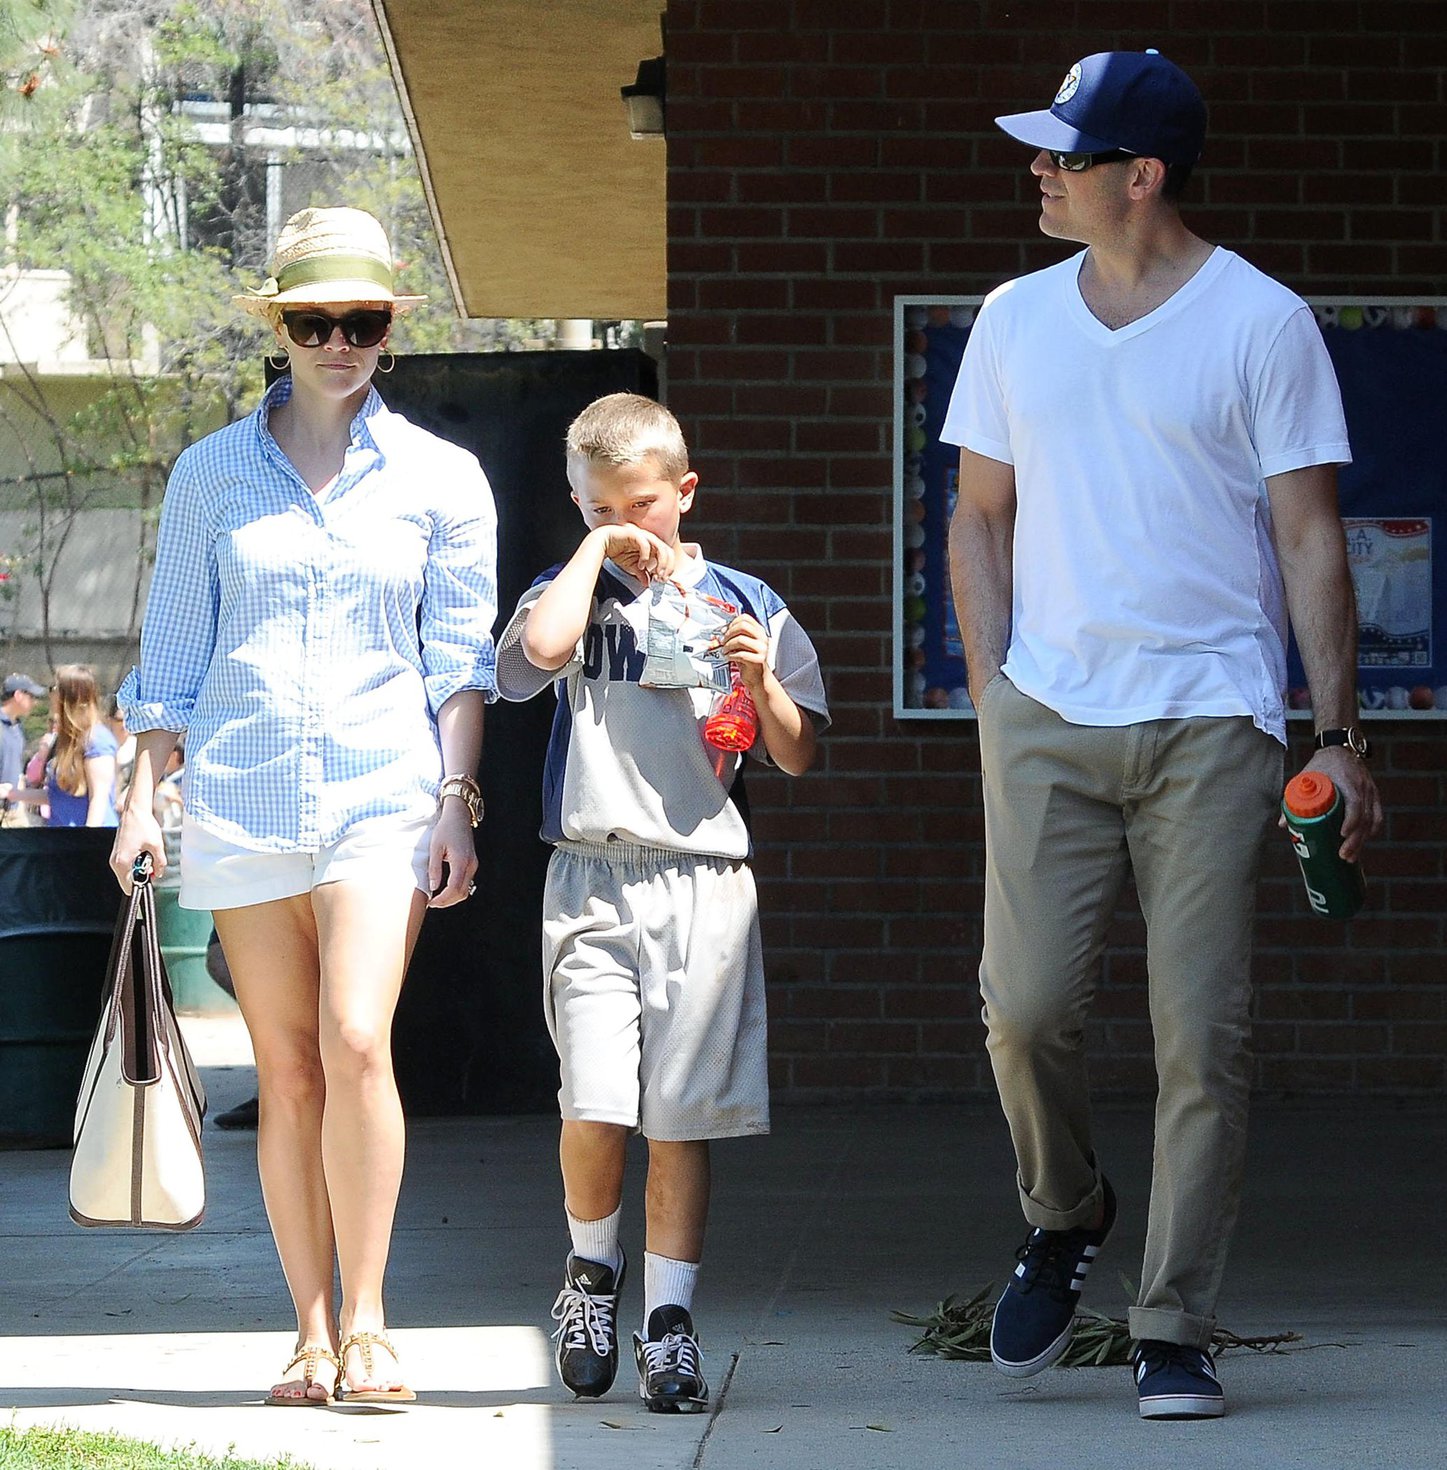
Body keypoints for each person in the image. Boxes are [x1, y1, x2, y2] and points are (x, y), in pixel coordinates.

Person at [944, 50, 1382, 1421]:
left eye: (1063, 155)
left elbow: (1311, 535)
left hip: (1209, 723)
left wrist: (1338, 731)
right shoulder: (1012, 318)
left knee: (1199, 1031)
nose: (1037, 170)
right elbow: (976, 514)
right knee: (1020, 1010)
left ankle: (1171, 1319)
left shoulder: (1260, 322)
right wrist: (988, 692)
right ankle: (1062, 1210)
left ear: (1139, 175)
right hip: (1044, 714)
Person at [109, 206, 497, 1408]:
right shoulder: (211, 473)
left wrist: (456, 801)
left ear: (390, 331)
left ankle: (374, 1321)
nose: (338, 341)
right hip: (241, 791)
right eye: (313, 321)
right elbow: (171, 658)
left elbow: (459, 663)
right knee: (286, 1068)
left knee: (358, 1040)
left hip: (386, 796)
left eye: (362, 321)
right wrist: (140, 801)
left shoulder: (443, 476)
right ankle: (309, 1330)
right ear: (281, 327)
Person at [495, 393, 828, 1413]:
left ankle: (670, 1322)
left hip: (701, 878)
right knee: (595, 1098)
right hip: (591, 873)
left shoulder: (742, 599)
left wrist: (761, 680)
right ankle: (590, 1274)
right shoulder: (568, 589)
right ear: (577, 505)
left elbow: (797, 750)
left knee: (680, 1115)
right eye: (600, 510)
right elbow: (528, 669)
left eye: (641, 506)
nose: (627, 526)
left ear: (683, 492)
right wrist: (593, 560)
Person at [3, 666, 120, 827]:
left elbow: (99, 799)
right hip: (60, 838)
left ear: (69, 696)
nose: (51, 695)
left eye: (55, 688)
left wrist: (87, 843)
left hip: (88, 842)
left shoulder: (97, 740)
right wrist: (13, 794)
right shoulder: (65, 740)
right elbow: (57, 796)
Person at [1, 672, 45, 826]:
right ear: (18, 695)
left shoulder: (17, 727)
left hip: (14, 809)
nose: (34, 702)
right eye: (31, 696)